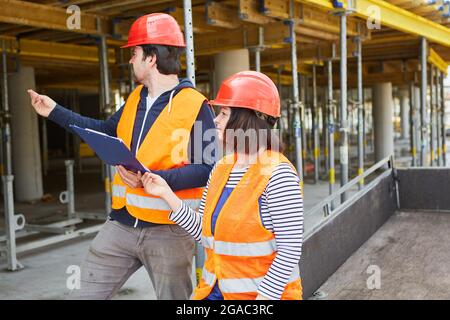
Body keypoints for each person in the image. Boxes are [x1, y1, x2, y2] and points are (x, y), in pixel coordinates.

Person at [27, 13, 216, 300]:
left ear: (151, 58)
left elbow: (207, 168)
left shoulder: (197, 106)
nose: (130, 60)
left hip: (169, 231)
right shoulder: (135, 99)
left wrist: (153, 180)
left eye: (135, 52)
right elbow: (104, 130)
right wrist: (54, 111)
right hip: (121, 225)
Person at [140, 71, 304, 300]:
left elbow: (289, 252)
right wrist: (167, 194)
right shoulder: (221, 168)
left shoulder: (278, 174)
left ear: (246, 120)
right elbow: (205, 234)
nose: (215, 119)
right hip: (213, 292)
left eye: (224, 113)